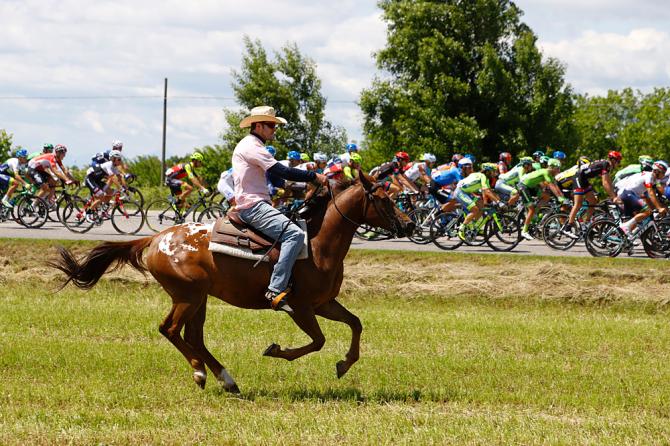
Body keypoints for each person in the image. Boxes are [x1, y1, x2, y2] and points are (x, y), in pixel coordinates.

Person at [232, 105, 328, 314]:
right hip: (253, 206)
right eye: (271, 125)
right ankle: (275, 290)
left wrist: (302, 189)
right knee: (294, 234)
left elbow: (277, 178)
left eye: (275, 125)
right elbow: (280, 170)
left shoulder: (256, 146)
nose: (274, 130)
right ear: (258, 125)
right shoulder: (251, 146)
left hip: (257, 203)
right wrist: (313, 177)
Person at [563, 151, 623, 238]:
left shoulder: (606, 165)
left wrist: (613, 193)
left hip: (583, 179)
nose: (619, 164)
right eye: (618, 161)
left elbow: (608, 181)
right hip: (578, 177)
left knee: (593, 201)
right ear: (613, 160)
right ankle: (567, 227)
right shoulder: (606, 164)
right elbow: (605, 183)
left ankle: (586, 223)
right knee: (578, 204)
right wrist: (613, 197)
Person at [518, 158, 567, 240]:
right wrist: (559, 198)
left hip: (531, 186)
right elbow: (551, 186)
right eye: (557, 168)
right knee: (531, 209)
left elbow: (556, 186)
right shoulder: (546, 172)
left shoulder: (550, 174)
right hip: (524, 186)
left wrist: (562, 197)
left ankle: (534, 214)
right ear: (551, 167)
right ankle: (524, 231)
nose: (559, 170)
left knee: (546, 196)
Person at [616, 161, 668, 236]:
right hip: (626, 192)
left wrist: (655, 208)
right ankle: (625, 227)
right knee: (646, 211)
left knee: (640, 216)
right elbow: (651, 193)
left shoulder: (654, 180)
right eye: (663, 172)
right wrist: (659, 208)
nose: (663, 175)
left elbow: (649, 196)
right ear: (656, 171)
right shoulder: (649, 176)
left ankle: (624, 236)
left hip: (630, 193)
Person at [455, 163, 504, 240]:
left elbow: (489, 191)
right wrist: (498, 202)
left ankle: (474, 227)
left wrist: (497, 199)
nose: (495, 173)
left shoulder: (484, 178)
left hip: (467, 192)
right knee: (475, 210)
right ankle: (461, 229)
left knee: (481, 205)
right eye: (493, 171)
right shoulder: (483, 176)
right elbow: (486, 191)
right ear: (488, 171)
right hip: (460, 192)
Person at [83, 149, 127, 220]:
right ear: (113, 159)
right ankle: (88, 213)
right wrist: (121, 188)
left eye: (120, 159)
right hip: (90, 179)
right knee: (101, 196)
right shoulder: (109, 165)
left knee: (111, 192)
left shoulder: (114, 167)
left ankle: (103, 210)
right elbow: (113, 178)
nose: (120, 161)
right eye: (119, 159)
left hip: (97, 180)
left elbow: (119, 177)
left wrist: (125, 188)